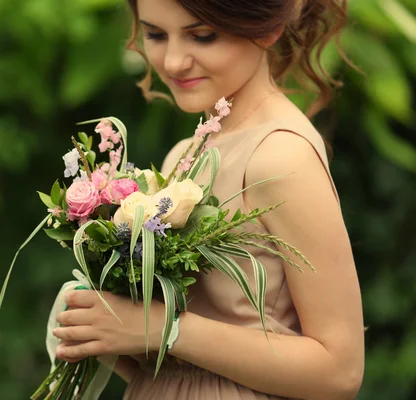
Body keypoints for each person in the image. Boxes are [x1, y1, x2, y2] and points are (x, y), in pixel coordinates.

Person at [51, 0, 365, 398]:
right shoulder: (184, 154)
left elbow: (340, 371)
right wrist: (108, 329)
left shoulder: (281, 156)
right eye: (156, 35)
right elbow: (187, 376)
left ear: (266, 28)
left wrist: (163, 328)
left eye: (202, 36)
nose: (175, 61)